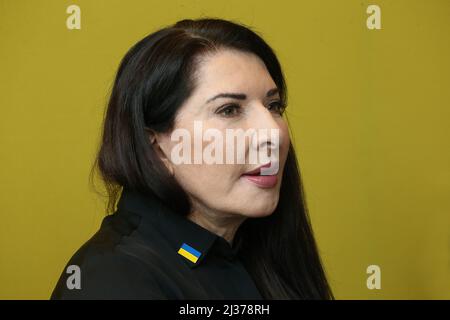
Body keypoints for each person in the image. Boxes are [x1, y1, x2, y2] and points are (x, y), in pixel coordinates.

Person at [51, 18, 334, 300]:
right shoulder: (113, 280)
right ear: (158, 149)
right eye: (229, 110)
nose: (273, 133)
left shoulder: (258, 252)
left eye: (273, 105)